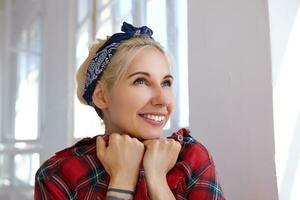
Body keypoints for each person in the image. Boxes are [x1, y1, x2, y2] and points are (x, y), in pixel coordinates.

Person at [34, 22, 226, 200]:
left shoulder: (191, 158)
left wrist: (158, 181)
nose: (162, 100)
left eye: (166, 83)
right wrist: (122, 180)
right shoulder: (59, 175)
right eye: (141, 81)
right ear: (101, 96)